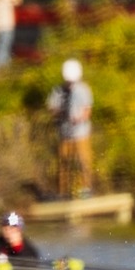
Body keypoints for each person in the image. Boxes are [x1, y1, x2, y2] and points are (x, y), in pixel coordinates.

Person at [49, 59, 94, 198]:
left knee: (83, 161)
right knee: (63, 162)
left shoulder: (83, 89)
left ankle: (85, 190)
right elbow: (52, 108)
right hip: (65, 133)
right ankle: (63, 192)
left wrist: (78, 118)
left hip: (81, 134)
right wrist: (60, 112)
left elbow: (87, 110)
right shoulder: (58, 90)